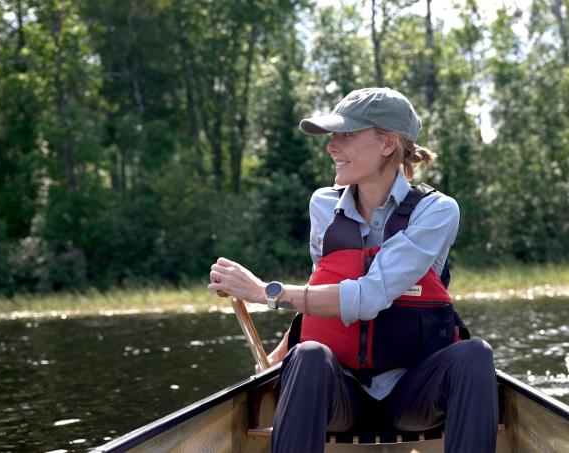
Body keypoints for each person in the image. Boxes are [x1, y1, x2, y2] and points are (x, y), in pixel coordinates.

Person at [208, 87, 498, 453]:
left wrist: (265, 291)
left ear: (388, 144)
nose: (332, 146)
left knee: (476, 355)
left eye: (346, 135)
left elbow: (367, 297)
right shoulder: (322, 206)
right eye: (332, 136)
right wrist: (284, 352)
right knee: (308, 354)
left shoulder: (437, 211)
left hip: (413, 395)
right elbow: (321, 291)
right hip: (339, 393)